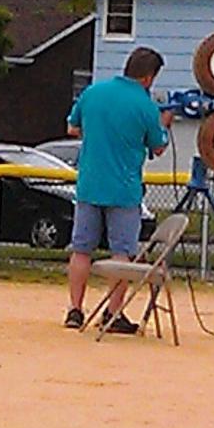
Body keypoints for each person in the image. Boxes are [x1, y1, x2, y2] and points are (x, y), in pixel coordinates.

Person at [63, 46, 173, 332]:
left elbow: (72, 129)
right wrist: (165, 125)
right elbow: (158, 147)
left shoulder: (93, 93)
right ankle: (112, 314)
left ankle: (75, 310)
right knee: (122, 253)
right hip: (124, 190)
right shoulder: (146, 106)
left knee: (81, 249)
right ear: (149, 78)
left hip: (89, 183)